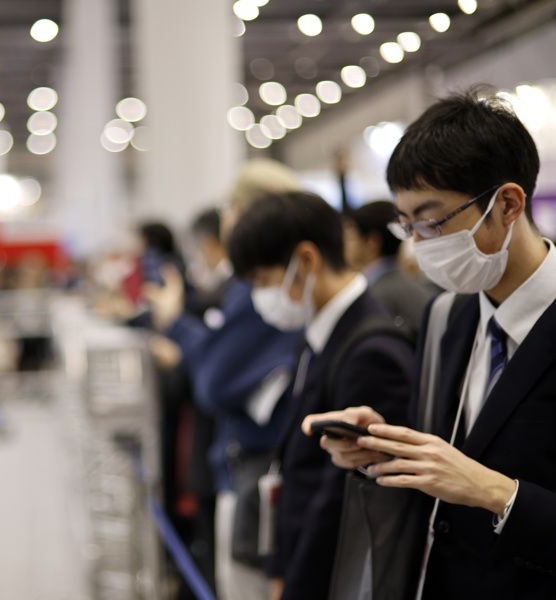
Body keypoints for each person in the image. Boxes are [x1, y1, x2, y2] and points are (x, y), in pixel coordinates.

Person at [303, 88, 556, 599]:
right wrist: (382, 446)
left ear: (507, 204)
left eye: (432, 221)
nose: (418, 247)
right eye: (407, 225)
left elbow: (473, 478)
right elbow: (446, 467)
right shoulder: (447, 315)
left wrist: (497, 493)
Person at [225, 191, 414, 600]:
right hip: (299, 557)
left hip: (331, 577)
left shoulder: (371, 350)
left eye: (262, 280)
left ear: (306, 260)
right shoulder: (316, 335)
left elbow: (341, 498)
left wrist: (294, 585)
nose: (261, 296)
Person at [145, 159, 301, 600]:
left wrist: (177, 324)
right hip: (246, 468)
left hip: (256, 471)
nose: (226, 219)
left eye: (231, 207)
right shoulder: (255, 286)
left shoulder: (261, 290)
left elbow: (214, 381)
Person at [344, 200, 435, 331]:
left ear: (372, 242)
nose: (345, 246)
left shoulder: (377, 296)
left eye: (350, 237)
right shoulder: (409, 284)